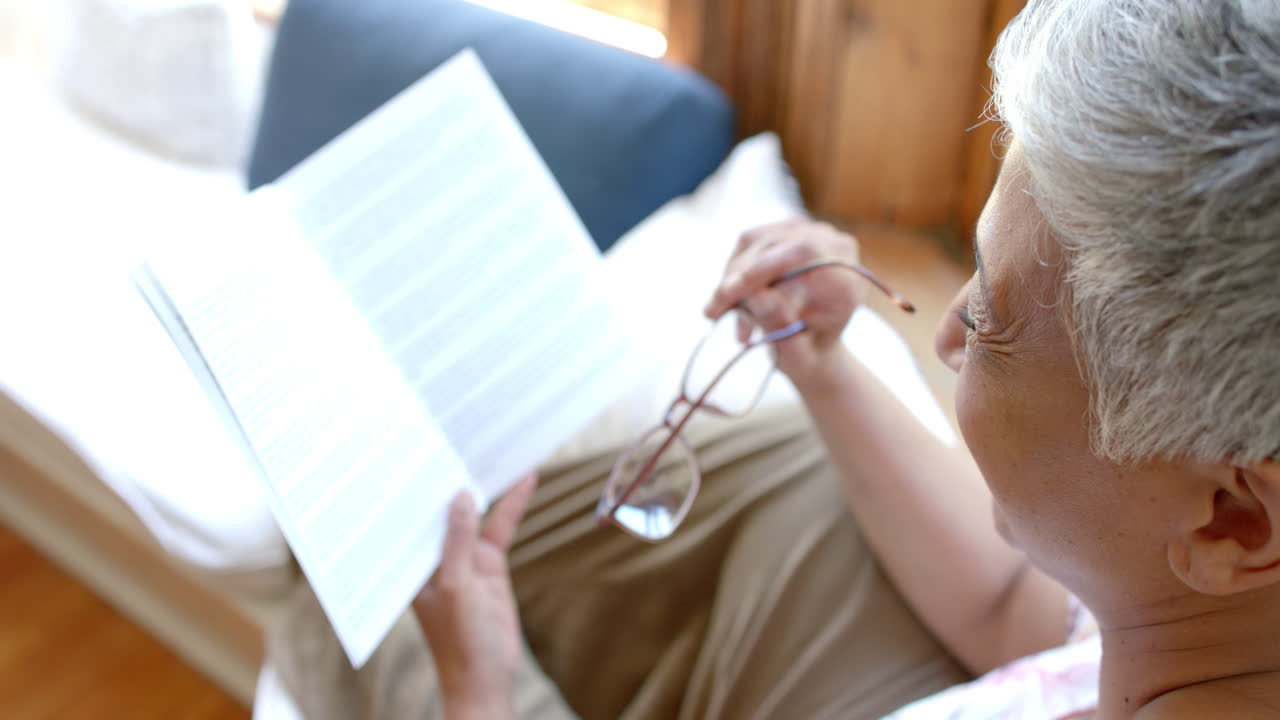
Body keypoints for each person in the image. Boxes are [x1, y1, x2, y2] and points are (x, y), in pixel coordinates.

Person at [278, 0, 1280, 717]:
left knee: (353, 613)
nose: (940, 330)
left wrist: (479, 687)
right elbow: (1019, 613)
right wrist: (826, 364)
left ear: (1233, 520)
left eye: (986, 320)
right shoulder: (1194, 622)